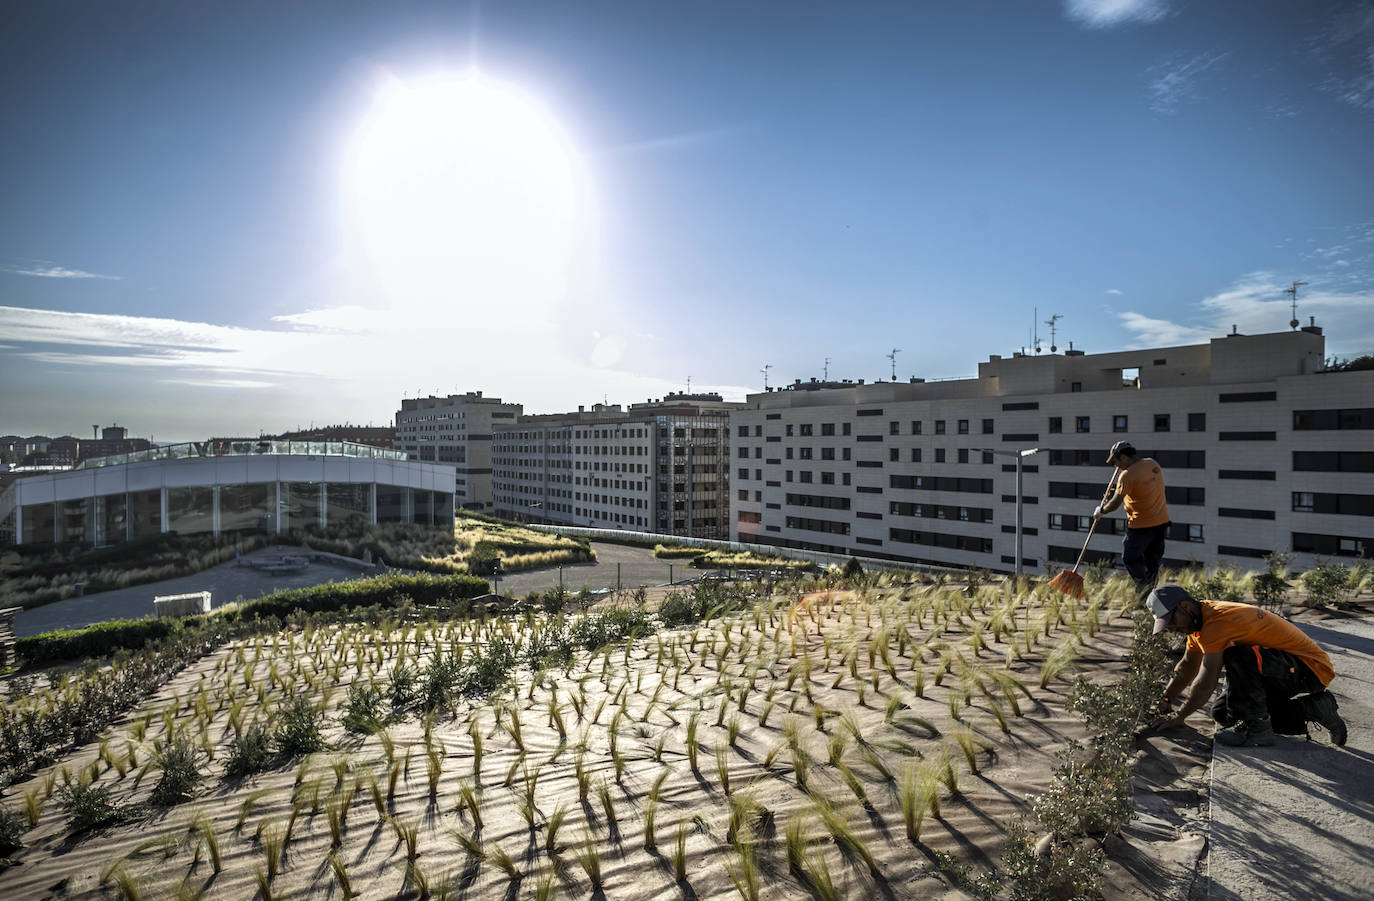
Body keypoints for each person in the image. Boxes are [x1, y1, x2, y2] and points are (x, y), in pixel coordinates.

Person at [1147, 585, 1346, 747]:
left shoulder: (1217, 621)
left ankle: (1256, 729)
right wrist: (1166, 700)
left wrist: (1180, 716)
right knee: (1224, 714)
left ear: (1185, 607)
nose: (1172, 629)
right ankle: (1315, 709)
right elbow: (1188, 665)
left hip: (1309, 669)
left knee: (1236, 654)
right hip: (1280, 669)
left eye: (1171, 621)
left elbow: (1206, 681)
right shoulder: (1198, 624)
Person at [1093, 441, 1169, 596]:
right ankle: (1150, 596)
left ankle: (1144, 590)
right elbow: (1142, 486)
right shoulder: (1151, 463)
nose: (1116, 466)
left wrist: (1101, 510)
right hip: (1161, 522)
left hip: (1141, 524)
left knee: (1130, 558)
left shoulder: (1127, 475)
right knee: (1152, 561)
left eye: (1116, 461)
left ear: (1124, 457)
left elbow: (1115, 503)